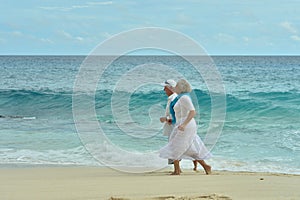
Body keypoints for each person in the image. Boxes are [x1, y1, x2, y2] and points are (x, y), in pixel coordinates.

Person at [159, 79, 212, 175]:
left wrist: (184, 124)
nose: (175, 87)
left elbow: (192, 111)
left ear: (181, 87)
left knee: (175, 145)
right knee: (184, 146)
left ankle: (177, 170)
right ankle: (205, 166)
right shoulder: (180, 98)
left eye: (177, 86)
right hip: (180, 123)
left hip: (186, 124)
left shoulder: (184, 98)